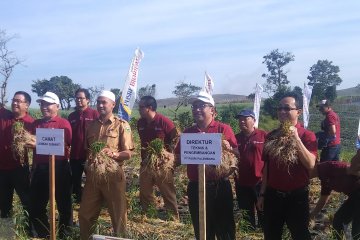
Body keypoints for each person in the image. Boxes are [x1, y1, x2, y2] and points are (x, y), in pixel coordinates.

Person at [175, 90, 238, 240]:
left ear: (212, 110)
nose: (196, 109)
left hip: (219, 187)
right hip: (196, 187)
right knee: (202, 228)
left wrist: (228, 148)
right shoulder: (188, 132)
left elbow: (237, 153)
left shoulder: (223, 129)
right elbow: (178, 157)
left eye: (201, 105)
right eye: (194, 106)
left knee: (225, 229)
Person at [257, 92, 317, 240]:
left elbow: (310, 164)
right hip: (273, 196)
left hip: (297, 197)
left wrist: (295, 138)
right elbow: (267, 169)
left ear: (299, 111)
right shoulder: (271, 136)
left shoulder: (307, 135)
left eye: (287, 108)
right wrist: (262, 194)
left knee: (300, 234)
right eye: (280, 108)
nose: (282, 111)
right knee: (271, 234)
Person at [79, 90, 134, 239]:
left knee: (118, 215)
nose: (101, 105)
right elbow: (87, 151)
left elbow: (128, 153)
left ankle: (120, 238)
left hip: (113, 177)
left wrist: (114, 154)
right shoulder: (91, 126)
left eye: (104, 102)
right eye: (98, 102)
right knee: (85, 214)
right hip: (93, 178)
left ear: (113, 104)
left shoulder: (122, 125)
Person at [28, 91, 73, 238]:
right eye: (42, 104)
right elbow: (28, 142)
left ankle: (65, 233)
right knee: (37, 203)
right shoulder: (36, 124)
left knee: (64, 203)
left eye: (48, 104)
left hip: (59, 168)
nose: (44, 107)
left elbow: (65, 143)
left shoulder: (63, 123)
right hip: (40, 169)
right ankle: (42, 232)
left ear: (57, 106)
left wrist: (39, 143)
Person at [137, 96, 179, 219]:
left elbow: (176, 139)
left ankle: (173, 219)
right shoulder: (140, 123)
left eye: (141, 107)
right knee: (145, 193)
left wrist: (168, 155)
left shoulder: (164, 122)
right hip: (146, 163)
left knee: (168, 193)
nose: (139, 109)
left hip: (162, 165)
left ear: (149, 108)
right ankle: (149, 216)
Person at [0, 91, 33, 231]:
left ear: (27, 105)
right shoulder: (4, 116)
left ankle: (29, 231)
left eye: (19, 101)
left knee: (26, 201)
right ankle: (7, 233)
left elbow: (38, 143)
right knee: (4, 204)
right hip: (2, 169)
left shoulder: (31, 123)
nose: (15, 103)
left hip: (20, 168)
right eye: (14, 100)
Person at [310, 150, 360, 239]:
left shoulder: (329, 168)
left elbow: (353, 167)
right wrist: (312, 215)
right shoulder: (327, 175)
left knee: (357, 230)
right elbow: (324, 197)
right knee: (338, 221)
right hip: (354, 198)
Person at [234, 109, 266, 230]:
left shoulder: (263, 136)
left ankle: (264, 233)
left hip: (260, 182)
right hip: (241, 183)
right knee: (246, 215)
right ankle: (249, 233)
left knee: (263, 212)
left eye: (245, 118)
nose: (242, 121)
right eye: (240, 119)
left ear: (253, 120)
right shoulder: (235, 139)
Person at [68, 88, 98, 203]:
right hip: (75, 154)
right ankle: (78, 201)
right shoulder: (72, 116)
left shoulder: (94, 114)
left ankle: (93, 201)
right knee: (75, 179)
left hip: (90, 155)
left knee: (92, 180)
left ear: (88, 100)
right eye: (77, 98)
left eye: (81, 98)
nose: (78, 100)